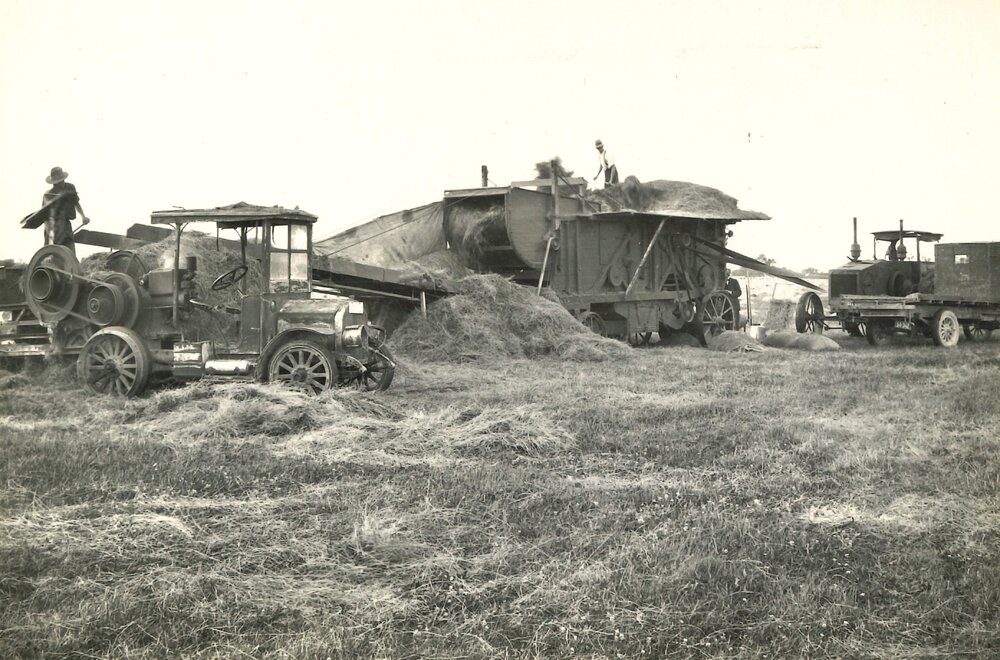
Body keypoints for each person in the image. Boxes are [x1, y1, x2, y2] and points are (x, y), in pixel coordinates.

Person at [42, 166, 88, 254]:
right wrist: (50, 232)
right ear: (53, 183)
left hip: (66, 225)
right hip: (52, 226)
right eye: (57, 183)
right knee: (51, 253)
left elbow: (76, 203)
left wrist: (83, 217)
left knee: (69, 252)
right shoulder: (47, 195)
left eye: (61, 181)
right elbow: (44, 216)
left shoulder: (70, 188)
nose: (60, 184)